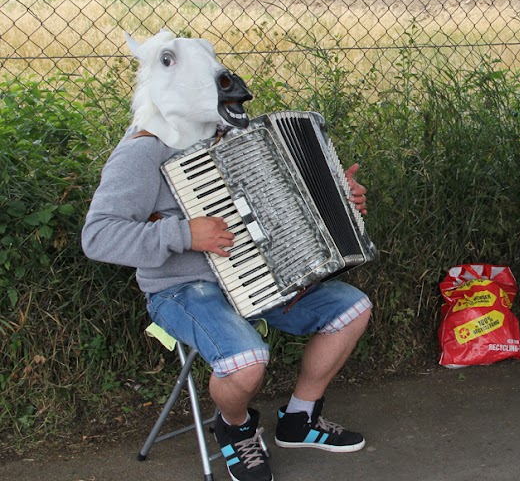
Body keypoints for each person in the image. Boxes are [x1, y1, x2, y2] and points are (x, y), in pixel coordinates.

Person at [82, 31, 371, 481]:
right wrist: (184, 233)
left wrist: (338, 195)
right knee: (246, 359)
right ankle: (235, 429)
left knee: (352, 308)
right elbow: (97, 236)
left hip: (262, 277)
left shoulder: (234, 136)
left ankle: (299, 418)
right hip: (182, 290)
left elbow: (285, 199)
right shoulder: (143, 151)